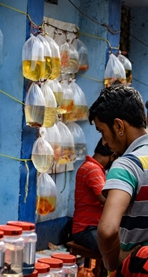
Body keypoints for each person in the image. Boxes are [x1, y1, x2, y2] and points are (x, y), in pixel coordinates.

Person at [89, 85, 148, 275]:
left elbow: (107, 230)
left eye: (101, 131)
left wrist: (113, 264)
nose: (104, 142)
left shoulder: (127, 165)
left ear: (119, 126)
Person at [72, 138, 116, 252]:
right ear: (112, 157)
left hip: (92, 227)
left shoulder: (92, 167)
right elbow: (105, 200)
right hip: (85, 229)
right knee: (112, 250)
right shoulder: (92, 169)